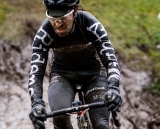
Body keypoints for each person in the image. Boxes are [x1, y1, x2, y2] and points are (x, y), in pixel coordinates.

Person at [28, 0, 122, 129]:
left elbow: (111, 61)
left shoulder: (90, 24)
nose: (57, 23)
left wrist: (113, 88)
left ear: (75, 11)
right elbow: (35, 73)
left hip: (94, 74)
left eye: (62, 18)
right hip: (62, 76)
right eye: (52, 17)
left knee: (101, 124)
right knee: (60, 119)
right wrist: (36, 104)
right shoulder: (44, 33)